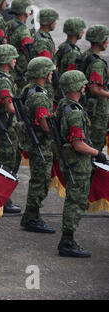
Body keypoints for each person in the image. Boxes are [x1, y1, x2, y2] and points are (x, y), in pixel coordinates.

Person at [56, 70, 108, 257]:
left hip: (73, 162)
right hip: (78, 164)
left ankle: (68, 240)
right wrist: (97, 154)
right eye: (82, 84)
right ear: (76, 87)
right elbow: (77, 144)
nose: (85, 86)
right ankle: (67, 242)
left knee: (74, 200)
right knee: (75, 202)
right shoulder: (75, 114)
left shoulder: (64, 105)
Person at [19, 57, 56, 233]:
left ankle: (31, 215)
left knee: (39, 180)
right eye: (49, 71)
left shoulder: (29, 89)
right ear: (42, 73)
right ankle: (32, 217)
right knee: (40, 181)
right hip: (41, 144)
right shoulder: (40, 97)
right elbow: (45, 126)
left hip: (35, 143)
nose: (51, 74)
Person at [0, 44, 22, 214]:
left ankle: (4, 196)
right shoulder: (3, 79)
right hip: (8, 125)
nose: (15, 60)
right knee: (7, 162)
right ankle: (3, 198)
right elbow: (9, 107)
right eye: (13, 57)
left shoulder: (1, 76)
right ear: (5, 60)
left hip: (8, 124)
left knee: (11, 161)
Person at [81, 24, 109, 152]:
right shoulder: (97, 63)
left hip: (87, 105)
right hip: (96, 111)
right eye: (106, 39)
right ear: (100, 41)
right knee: (96, 143)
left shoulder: (86, 55)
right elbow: (95, 89)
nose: (107, 41)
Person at [6, 0, 34, 93]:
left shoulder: (9, 24)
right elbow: (29, 51)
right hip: (21, 70)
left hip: (9, 65)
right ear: (25, 12)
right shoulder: (23, 30)